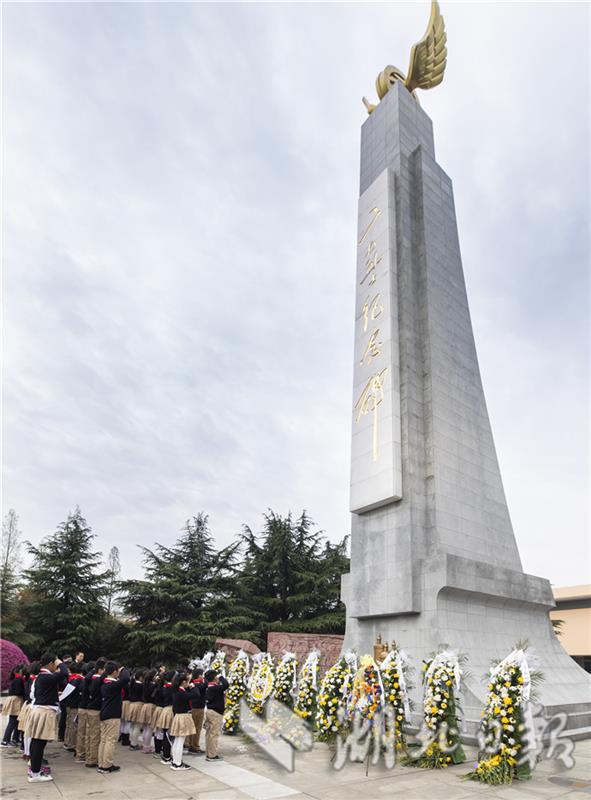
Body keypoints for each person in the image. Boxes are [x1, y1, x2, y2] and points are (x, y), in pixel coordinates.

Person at [26, 653, 69, 783]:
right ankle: (35, 773)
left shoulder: (42, 676)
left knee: (37, 742)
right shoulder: (45, 676)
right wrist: (59, 662)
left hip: (40, 711)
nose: (56, 667)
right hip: (44, 712)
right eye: (54, 664)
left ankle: (35, 770)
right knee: (39, 743)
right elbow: (64, 673)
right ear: (51, 664)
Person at [97, 662, 130, 774]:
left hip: (105, 714)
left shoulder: (103, 682)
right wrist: (123, 668)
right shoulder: (112, 684)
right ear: (115, 671)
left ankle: (101, 763)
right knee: (110, 740)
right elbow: (126, 678)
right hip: (112, 715)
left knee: (104, 740)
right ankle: (107, 765)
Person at [169, 671, 202, 770]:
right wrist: (193, 686)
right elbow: (196, 694)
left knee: (177, 740)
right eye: (188, 681)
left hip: (178, 716)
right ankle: (178, 763)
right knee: (180, 741)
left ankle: (175, 761)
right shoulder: (181, 692)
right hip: (183, 717)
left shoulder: (177, 691)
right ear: (183, 682)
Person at [85, 657, 106, 768]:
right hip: (95, 710)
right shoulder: (97, 680)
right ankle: (92, 760)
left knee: (90, 735)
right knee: (95, 736)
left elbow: (88, 676)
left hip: (90, 709)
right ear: (100, 670)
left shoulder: (90, 678)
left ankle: (89, 757)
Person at [203, 669, 228, 762]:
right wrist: (221, 677)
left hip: (210, 711)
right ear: (214, 678)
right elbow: (226, 685)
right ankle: (212, 755)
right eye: (216, 676)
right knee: (214, 734)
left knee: (209, 734)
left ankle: (209, 753)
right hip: (215, 713)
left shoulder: (209, 687)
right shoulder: (214, 687)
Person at [74, 661, 95, 763]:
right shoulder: (88, 681)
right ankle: (86, 755)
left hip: (81, 708)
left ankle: (79, 755)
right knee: (87, 733)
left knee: (81, 732)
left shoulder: (82, 680)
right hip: (87, 709)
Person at [1, 664, 26, 747]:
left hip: (16, 700)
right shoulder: (18, 679)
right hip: (16, 700)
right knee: (12, 721)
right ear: (20, 671)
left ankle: (15, 738)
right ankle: (5, 740)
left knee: (17, 721)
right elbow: (18, 691)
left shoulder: (16, 678)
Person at [62, 662, 84, 752]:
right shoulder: (79, 679)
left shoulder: (71, 678)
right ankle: (72, 744)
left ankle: (67, 741)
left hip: (69, 704)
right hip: (75, 705)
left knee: (69, 724)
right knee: (74, 725)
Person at [187, 668, 206, 754]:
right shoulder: (198, 684)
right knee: (197, 728)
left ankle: (190, 744)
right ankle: (195, 746)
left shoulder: (191, 683)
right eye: (202, 674)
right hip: (198, 708)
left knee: (192, 727)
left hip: (192, 708)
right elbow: (205, 684)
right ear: (199, 676)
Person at [127, 668, 145, 750]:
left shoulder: (132, 684)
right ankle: (134, 744)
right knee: (137, 726)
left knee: (132, 725)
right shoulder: (141, 686)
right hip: (138, 705)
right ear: (141, 677)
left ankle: (131, 741)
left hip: (132, 705)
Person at [141, 668, 158, 754]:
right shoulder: (153, 685)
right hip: (151, 706)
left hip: (145, 706)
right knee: (149, 728)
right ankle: (147, 746)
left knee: (145, 728)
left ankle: (145, 745)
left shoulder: (145, 684)